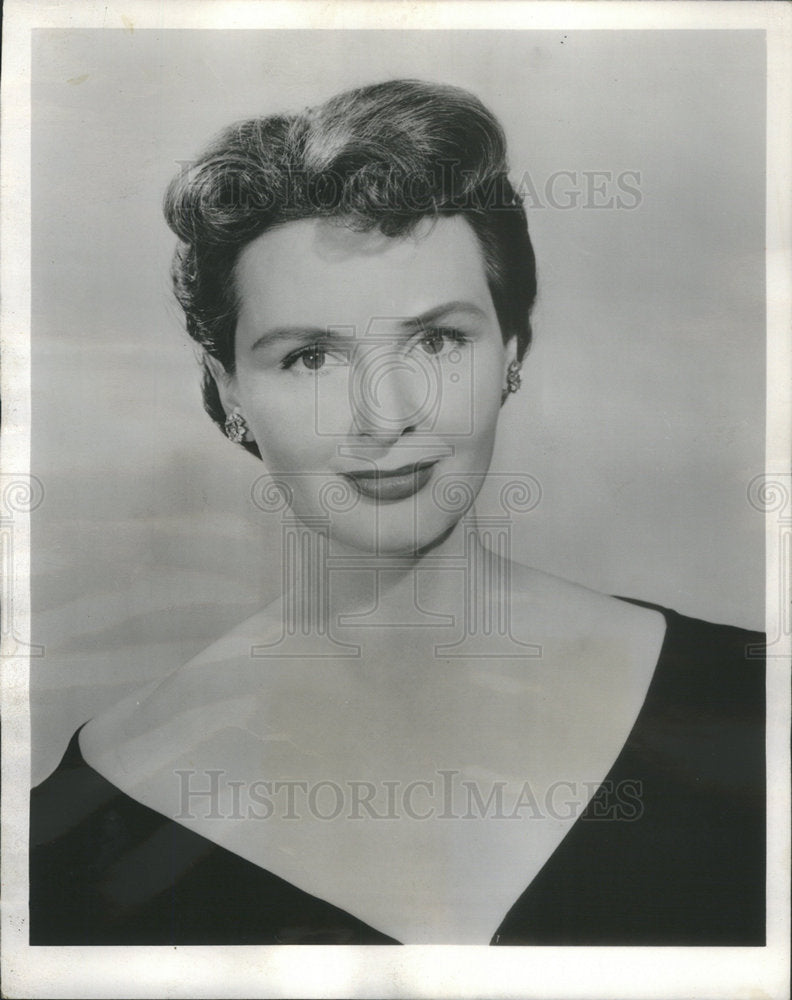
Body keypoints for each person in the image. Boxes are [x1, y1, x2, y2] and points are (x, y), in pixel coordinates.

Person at [29, 79, 765, 946]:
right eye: (309, 357)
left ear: (512, 351)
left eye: (437, 339)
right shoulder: (88, 826)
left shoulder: (750, 701)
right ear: (229, 393)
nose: (386, 415)